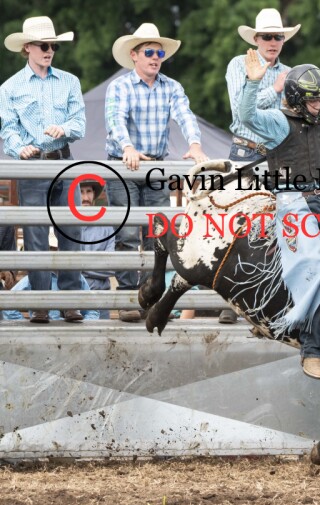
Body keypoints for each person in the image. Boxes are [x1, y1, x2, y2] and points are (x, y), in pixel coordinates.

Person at [239, 49, 320, 380]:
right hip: (289, 203)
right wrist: (253, 83)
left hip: (317, 203)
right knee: (316, 263)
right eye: (314, 100)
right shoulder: (277, 122)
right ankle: (311, 349)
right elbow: (246, 117)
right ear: (298, 100)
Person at [105, 23, 209, 322]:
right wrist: (127, 147)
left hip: (155, 166)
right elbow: (115, 119)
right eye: (149, 52)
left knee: (157, 235)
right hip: (123, 163)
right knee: (127, 234)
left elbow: (185, 115)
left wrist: (195, 144)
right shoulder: (120, 86)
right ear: (134, 55)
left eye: (159, 53)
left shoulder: (172, 87)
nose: (155, 58)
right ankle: (129, 298)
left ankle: (150, 299)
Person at [0, 16, 86, 324]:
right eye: (44, 45)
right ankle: (40, 303)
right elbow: (7, 129)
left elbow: (79, 124)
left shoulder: (70, 81)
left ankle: (70, 302)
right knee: (35, 236)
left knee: (71, 232)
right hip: (33, 164)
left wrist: (64, 129)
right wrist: (18, 147)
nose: (50, 51)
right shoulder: (9, 87)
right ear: (28, 48)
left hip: (64, 160)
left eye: (53, 46)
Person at [222, 8, 300, 325]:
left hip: (278, 157)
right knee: (240, 228)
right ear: (256, 39)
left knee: (278, 230)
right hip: (245, 153)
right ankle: (233, 300)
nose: (273, 41)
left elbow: (293, 117)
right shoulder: (238, 65)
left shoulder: (290, 72)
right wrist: (276, 89)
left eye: (278, 36)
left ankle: (269, 301)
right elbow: (241, 112)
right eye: (267, 36)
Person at [79, 179, 115, 319]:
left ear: (94, 194)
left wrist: (81, 267)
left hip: (101, 298)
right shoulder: (66, 226)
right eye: (81, 192)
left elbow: (112, 267)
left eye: (89, 191)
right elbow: (65, 266)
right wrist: (97, 264)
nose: (85, 197)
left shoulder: (107, 226)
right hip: (75, 298)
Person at [2, 272, 99, 321]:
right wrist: (24, 326)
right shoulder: (31, 279)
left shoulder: (77, 278)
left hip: (71, 333)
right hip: (42, 332)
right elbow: (8, 304)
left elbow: (92, 310)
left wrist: (82, 329)